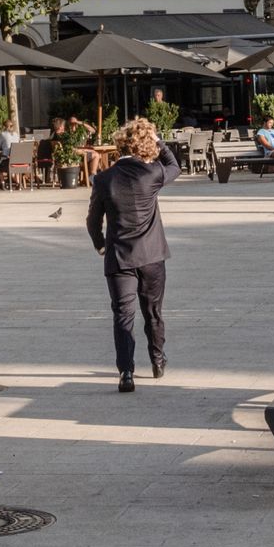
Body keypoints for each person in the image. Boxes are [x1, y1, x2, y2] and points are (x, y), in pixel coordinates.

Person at [86, 117, 178, 392]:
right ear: (144, 145)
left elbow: (93, 220)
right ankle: (158, 360)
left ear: (119, 145)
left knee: (122, 315)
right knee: (153, 311)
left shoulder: (103, 179)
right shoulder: (152, 174)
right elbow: (175, 165)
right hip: (151, 255)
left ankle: (126, 372)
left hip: (119, 257)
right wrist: (156, 140)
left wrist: (100, 244)